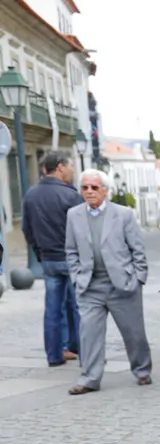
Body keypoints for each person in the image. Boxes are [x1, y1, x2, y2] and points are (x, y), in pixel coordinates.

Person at [63, 169, 152, 394]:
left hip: (121, 284)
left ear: (105, 190)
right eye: (85, 187)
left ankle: (142, 370)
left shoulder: (123, 214)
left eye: (94, 187)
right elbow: (71, 250)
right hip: (89, 285)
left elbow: (138, 250)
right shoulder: (73, 215)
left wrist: (138, 278)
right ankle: (90, 378)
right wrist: (76, 276)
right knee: (89, 333)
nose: (89, 192)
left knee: (133, 332)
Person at [22, 151, 83, 367]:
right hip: (70, 258)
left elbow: (26, 229)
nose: (72, 170)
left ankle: (54, 355)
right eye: (70, 166)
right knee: (79, 306)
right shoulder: (70, 195)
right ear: (59, 167)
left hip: (48, 259)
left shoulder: (31, 194)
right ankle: (84, 352)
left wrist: (40, 253)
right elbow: (82, 230)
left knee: (52, 308)